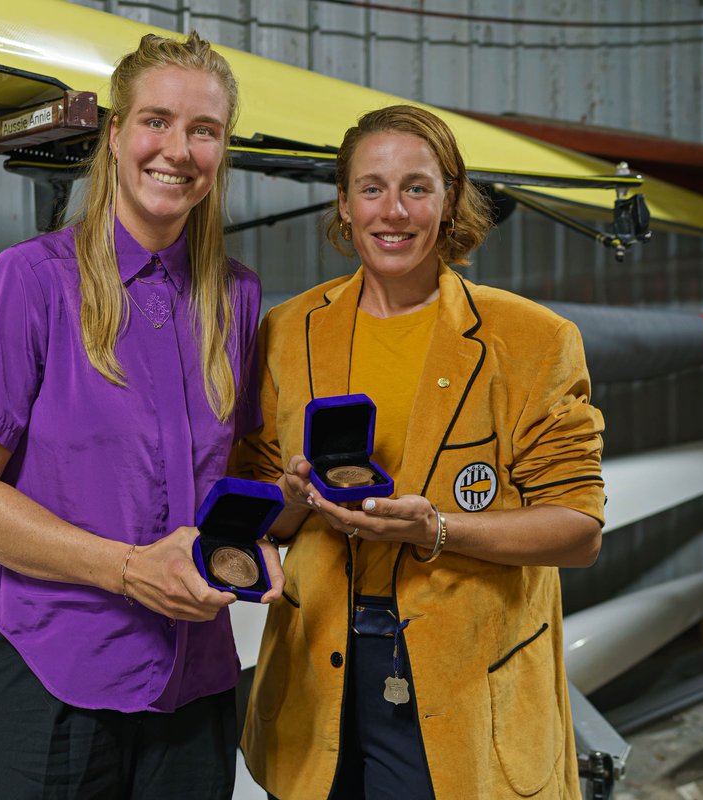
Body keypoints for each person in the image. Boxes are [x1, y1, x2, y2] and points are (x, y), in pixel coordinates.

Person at [0, 31, 283, 799]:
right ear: (116, 134)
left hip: (195, 689)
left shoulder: (238, 298)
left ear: (222, 150)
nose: (178, 149)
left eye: (204, 130)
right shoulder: (31, 282)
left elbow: (241, 473)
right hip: (52, 682)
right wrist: (128, 571)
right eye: (156, 120)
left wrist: (275, 526)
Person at [235, 105, 605, 799]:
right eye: (371, 188)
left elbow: (579, 531)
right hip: (321, 669)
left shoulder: (531, 340)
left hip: (464, 673)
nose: (393, 211)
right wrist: (287, 500)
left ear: (449, 199)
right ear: (343, 204)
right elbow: (260, 512)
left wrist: (435, 528)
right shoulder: (289, 332)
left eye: (417, 187)